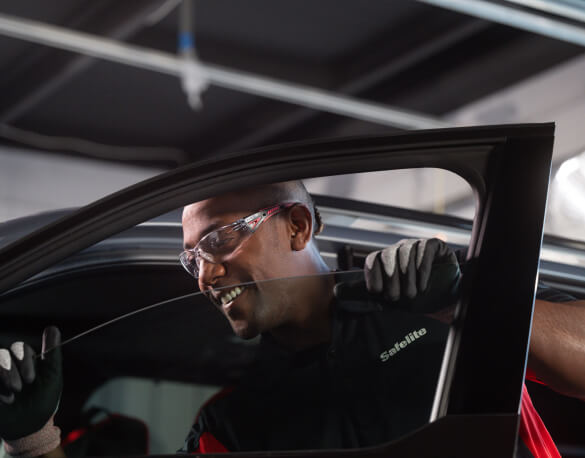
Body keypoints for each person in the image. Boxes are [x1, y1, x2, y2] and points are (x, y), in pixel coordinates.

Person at [0, 181, 582, 457]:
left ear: (298, 226)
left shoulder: (437, 310)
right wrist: (32, 443)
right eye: (191, 259)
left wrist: (470, 310)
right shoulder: (235, 422)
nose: (204, 276)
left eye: (221, 240)